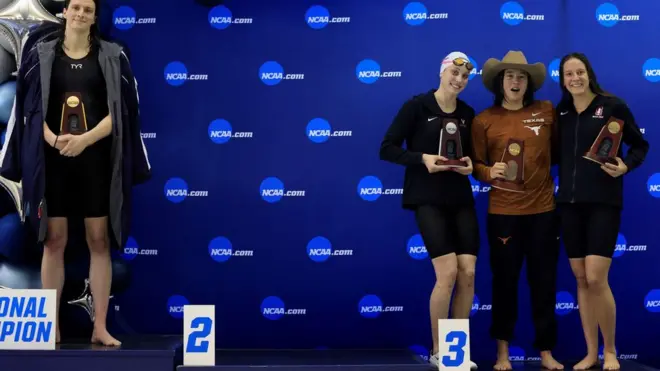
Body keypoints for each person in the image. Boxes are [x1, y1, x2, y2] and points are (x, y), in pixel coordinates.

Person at [0, 0, 151, 346]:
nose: (81, 14)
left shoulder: (113, 54)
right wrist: (53, 140)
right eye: (76, 7)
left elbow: (123, 112)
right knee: (54, 242)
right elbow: (28, 109)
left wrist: (84, 140)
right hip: (53, 164)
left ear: (95, 17)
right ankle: (50, 325)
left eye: (88, 9)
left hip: (96, 164)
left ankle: (99, 327)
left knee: (99, 242)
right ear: (64, 12)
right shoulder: (39, 54)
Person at [380, 51, 479, 370]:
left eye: (465, 77)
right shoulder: (416, 106)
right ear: (442, 72)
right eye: (454, 73)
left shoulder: (467, 112)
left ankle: (457, 353)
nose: (459, 80)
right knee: (447, 273)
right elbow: (388, 148)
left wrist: (469, 166)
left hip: (461, 198)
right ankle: (440, 351)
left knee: (468, 273)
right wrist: (423, 159)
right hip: (427, 197)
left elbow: (472, 158)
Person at [555, 53, 649, 371]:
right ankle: (590, 353)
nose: (575, 78)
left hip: (603, 204)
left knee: (596, 278)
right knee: (581, 279)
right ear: (563, 80)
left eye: (579, 72)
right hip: (568, 205)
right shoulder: (562, 112)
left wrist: (626, 165)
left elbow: (640, 145)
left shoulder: (613, 106)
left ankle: (610, 351)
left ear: (589, 74)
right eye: (568, 74)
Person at [470, 51, 563, 370]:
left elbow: (564, 151)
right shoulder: (483, 120)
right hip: (503, 213)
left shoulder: (547, 111)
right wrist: (487, 172)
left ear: (529, 83)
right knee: (504, 283)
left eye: (521, 76)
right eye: (509, 76)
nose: (515, 81)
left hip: (544, 212)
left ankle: (547, 352)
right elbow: (476, 166)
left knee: (545, 282)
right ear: (500, 81)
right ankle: (502, 354)